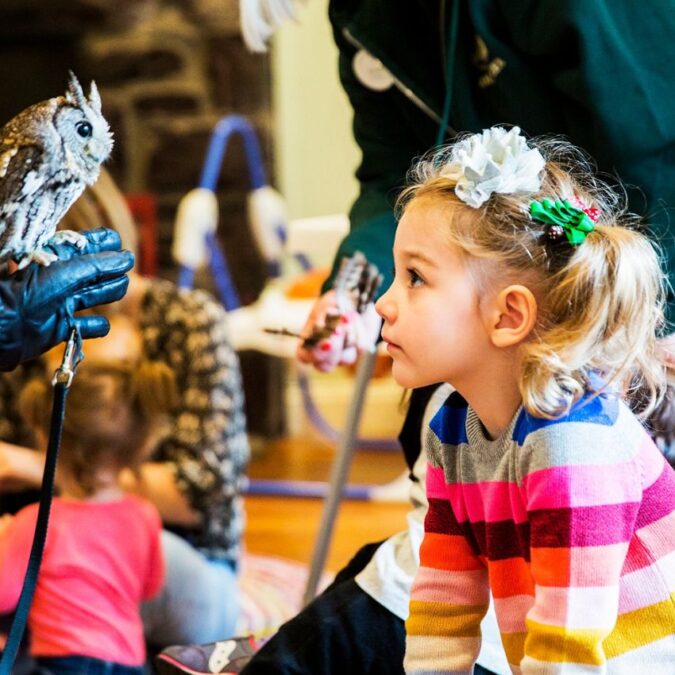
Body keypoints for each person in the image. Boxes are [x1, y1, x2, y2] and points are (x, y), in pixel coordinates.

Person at [377, 127, 675, 673]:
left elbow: (567, 648)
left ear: (508, 317)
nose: (382, 303)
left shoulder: (573, 444)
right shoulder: (452, 427)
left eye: (415, 278)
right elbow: (442, 607)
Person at [0, 173, 251, 648]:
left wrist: (30, 466)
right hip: (41, 557)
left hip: (180, 562)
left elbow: (199, 495)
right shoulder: (18, 329)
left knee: (83, 551)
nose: (14, 280)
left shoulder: (190, 322)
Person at [0, 316, 170, 674]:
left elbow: (3, 595)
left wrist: (4, 538)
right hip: (131, 664)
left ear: (51, 441)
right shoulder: (144, 515)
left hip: (64, 666)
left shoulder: (36, 521)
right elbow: (150, 587)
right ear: (134, 447)